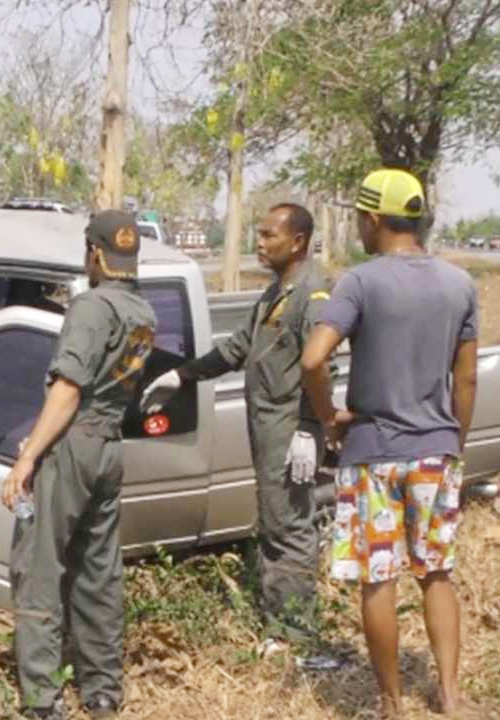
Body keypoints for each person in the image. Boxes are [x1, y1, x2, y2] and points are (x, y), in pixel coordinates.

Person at [300, 168, 477, 717]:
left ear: (372, 219)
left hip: (373, 452)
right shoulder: (459, 284)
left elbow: (312, 357)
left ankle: (390, 702)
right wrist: (453, 442)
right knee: (437, 572)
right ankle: (448, 694)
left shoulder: (360, 282)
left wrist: (331, 415)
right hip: (435, 452)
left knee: (379, 578)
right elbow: (465, 379)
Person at [141, 204, 335, 658]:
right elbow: (237, 350)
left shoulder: (313, 292)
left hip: (290, 429)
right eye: (259, 234)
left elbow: (319, 361)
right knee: (273, 523)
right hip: (268, 427)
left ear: (299, 241)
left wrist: (310, 425)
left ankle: (299, 635)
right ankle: (279, 625)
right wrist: (181, 375)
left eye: (269, 235)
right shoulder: (274, 293)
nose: (260, 243)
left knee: (291, 528)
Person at [0, 210, 156, 720]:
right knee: (98, 571)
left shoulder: (91, 307)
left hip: (74, 443)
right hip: (109, 448)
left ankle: (43, 699)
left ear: (94, 253)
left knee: (39, 567)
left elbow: (67, 390)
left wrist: (27, 457)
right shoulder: (142, 313)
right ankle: (103, 690)